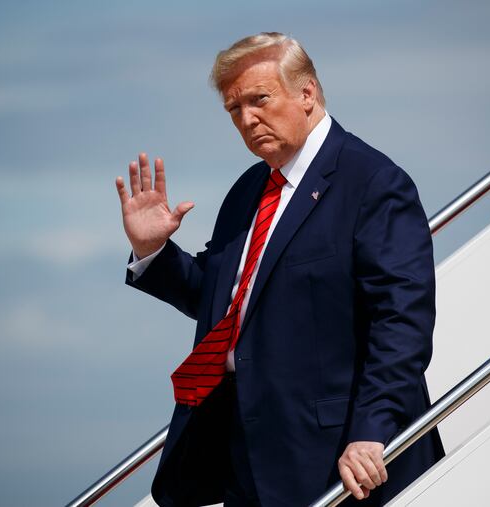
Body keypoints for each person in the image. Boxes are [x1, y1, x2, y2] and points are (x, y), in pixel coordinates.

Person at [115, 32, 444, 507]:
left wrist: (373, 432)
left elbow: (402, 320)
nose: (247, 119)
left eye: (259, 99)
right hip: (248, 455)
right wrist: (153, 251)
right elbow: (223, 302)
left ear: (307, 93)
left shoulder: (372, 182)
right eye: (234, 109)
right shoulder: (249, 189)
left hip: (338, 458)